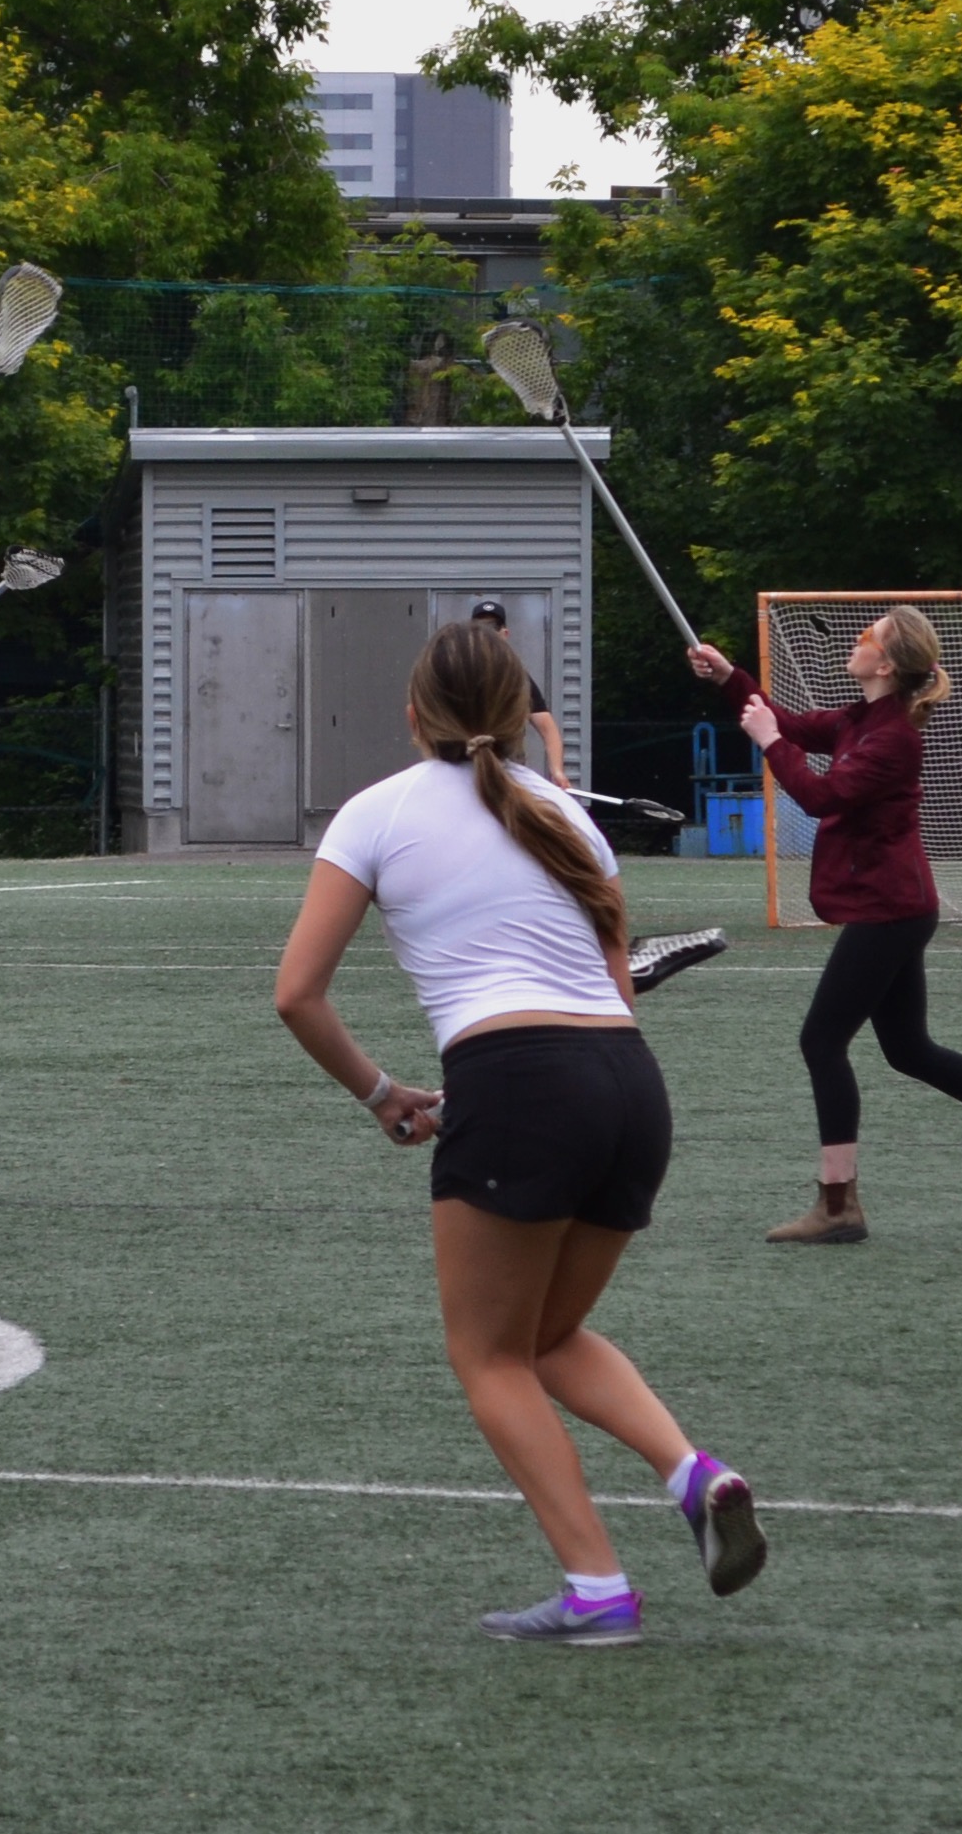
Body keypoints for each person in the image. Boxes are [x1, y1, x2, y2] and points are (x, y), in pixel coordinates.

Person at [276, 619, 767, 1645]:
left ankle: (597, 1589)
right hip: (627, 1086)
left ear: (412, 718)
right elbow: (612, 982)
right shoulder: (566, 816)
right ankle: (695, 1475)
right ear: (519, 714)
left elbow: (297, 996)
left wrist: (382, 1094)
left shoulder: (375, 813)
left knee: (489, 1355)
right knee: (545, 1337)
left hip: (520, 1081)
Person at [689, 608, 962, 1243]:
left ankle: (839, 1205)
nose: (856, 639)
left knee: (822, 1042)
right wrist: (729, 678)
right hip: (898, 907)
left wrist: (768, 741)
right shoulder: (862, 719)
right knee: (908, 1050)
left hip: (891, 911)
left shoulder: (895, 737)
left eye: (867, 636)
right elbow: (788, 722)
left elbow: (820, 794)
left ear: (888, 664)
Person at [468, 598, 567, 787]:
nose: (485, 635)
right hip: (467, 774)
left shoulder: (516, 678)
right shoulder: (457, 673)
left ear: (504, 634)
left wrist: (557, 771)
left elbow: (548, 728)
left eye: (491, 627)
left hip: (510, 775)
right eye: (479, 628)